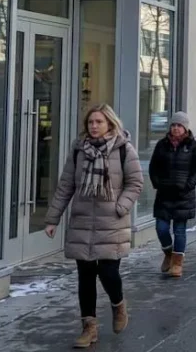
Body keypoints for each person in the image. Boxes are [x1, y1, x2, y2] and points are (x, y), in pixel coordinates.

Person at [44, 104, 144, 349]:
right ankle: (89, 328)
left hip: (112, 222)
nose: (94, 126)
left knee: (108, 273)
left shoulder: (123, 150)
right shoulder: (79, 151)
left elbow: (135, 183)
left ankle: (118, 305)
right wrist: (52, 219)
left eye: (99, 122)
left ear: (109, 123)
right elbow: (66, 185)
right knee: (85, 276)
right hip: (83, 221)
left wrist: (120, 207)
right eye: (91, 122)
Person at [148, 111, 196, 279]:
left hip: (183, 196)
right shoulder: (161, 145)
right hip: (164, 195)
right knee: (161, 228)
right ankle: (168, 254)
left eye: (179, 125)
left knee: (179, 230)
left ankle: (177, 263)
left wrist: (188, 185)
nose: (176, 128)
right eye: (173, 125)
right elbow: (153, 167)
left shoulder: (194, 146)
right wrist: (157, 183)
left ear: (185, 128)